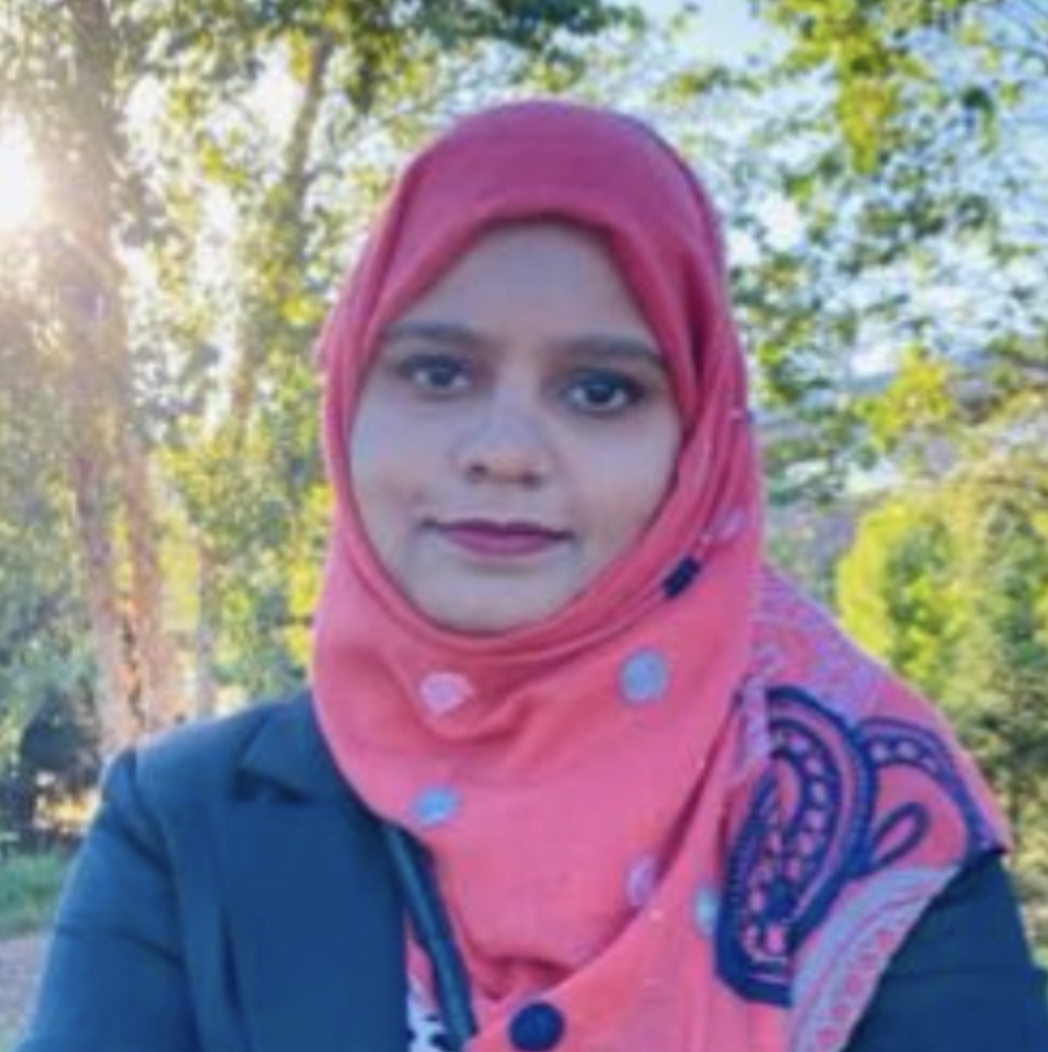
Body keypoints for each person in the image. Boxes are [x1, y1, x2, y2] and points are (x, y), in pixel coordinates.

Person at [16, 100, 1048, 1052]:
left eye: (600, 390)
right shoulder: (183, 821)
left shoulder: (880, 825)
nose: (504, 450)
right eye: (437, 371)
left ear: (697, 447)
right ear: (349, 403)